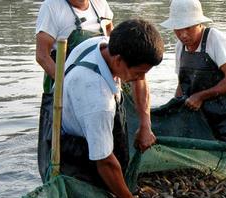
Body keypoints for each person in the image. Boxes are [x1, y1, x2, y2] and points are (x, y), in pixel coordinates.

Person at [35, 0, 155, 179]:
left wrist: (145, 123)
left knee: (108, 148)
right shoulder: (52, 7)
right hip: (65, 92)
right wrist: (70, 87)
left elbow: (119, 48)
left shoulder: (100, 5)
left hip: (103, 85)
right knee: (69, 156)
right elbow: (42, 56)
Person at [59, 19, 164, 198]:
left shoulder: (103, 44)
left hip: (87, 117)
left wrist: (145, 123)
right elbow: (105, 161)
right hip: (75, 147)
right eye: (138, 73)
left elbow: (141, 80)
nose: (140, 79)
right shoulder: (98, 100)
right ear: (118, 61)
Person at [160, 0, 226, 143]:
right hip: (200, 119)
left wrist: (200, 96)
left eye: (188, 28)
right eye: (178, 29)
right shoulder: (179, 47)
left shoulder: (215, 39)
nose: (183, 35)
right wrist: (175, 107)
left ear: (199, 23)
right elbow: (181, 85)